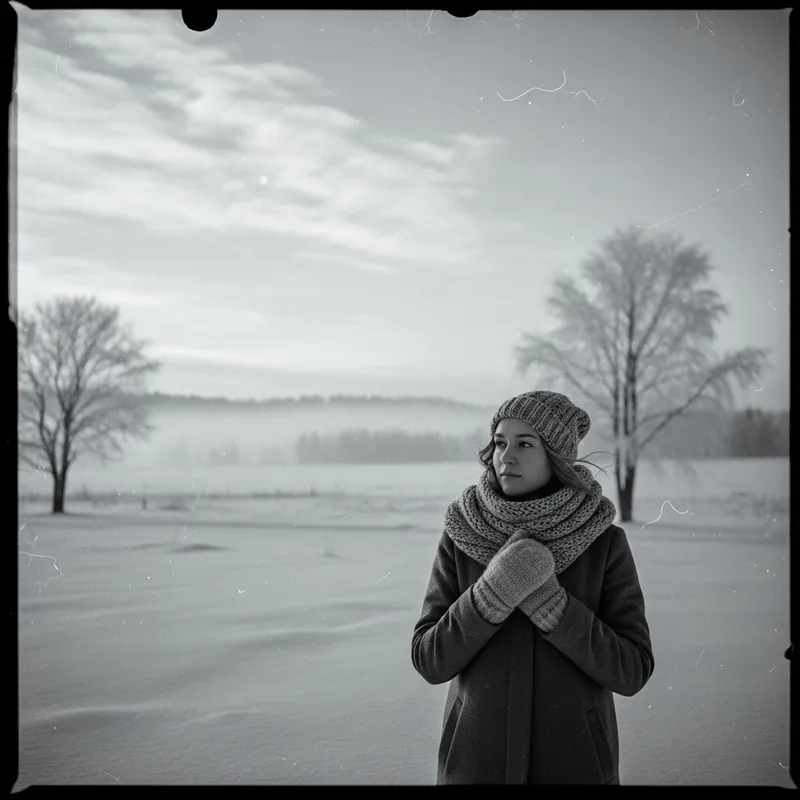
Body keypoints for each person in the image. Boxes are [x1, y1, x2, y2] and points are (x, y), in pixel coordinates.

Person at [411, 390, 654, 785]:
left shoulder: (603, 544)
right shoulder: (461, 535)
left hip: (576, 768)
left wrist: (555, 607)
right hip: (473, 769)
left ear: (556, 458)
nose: (506, 456)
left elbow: (631, 671)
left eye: (525, 444)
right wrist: (488, 597)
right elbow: (429, 660)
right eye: (500, 443)